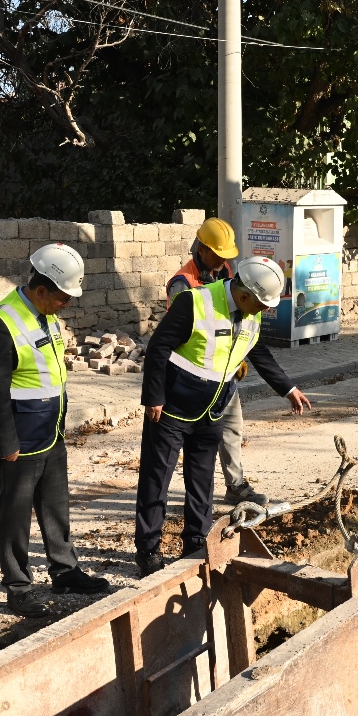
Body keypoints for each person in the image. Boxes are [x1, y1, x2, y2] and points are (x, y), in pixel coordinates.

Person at [135, 256, 312, 576]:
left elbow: (257, 352)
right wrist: (154, 398)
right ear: (244, 295)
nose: (266, 310)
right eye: (262, 304)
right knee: (156, 479)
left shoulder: (250, 314)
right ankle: (148, 550)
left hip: (213, 408)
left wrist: (288, 388)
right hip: (172, 408)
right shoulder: (194, 301)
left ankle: (196, 542)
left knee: (201, 481)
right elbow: (159, 347)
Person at [0, 243, 111, 617]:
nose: (66, 304)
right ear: (41, 290)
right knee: (14, 513)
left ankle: (65, 570)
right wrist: (6, 444)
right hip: (18, 440)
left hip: (50, 432)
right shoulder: (0, 324)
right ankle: (19, 586)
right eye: (63, 298)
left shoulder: (45, 314)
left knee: (55, 506)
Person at [165, 218, 267, 507]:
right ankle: (191, 497)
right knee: (191, 441)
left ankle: (235, 486)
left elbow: (237, 318)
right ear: (203, 248)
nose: (223, 260)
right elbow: (182, 335)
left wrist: (238, 356)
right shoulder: (182, 284)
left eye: (226, 255)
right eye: (218, 254)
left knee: (233, 428)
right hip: (192, 378)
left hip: (224, 373)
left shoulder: (225, 271)